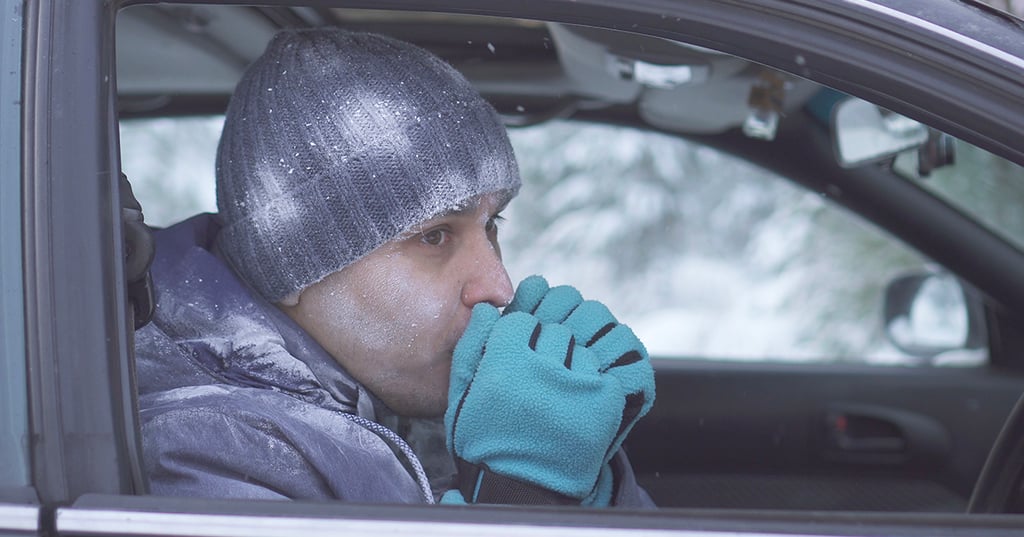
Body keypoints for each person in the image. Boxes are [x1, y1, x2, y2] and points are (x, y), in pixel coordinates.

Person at [136, 28, 656, 507]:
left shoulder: (398, 389)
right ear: (289, 265)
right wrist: (522, 497)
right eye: (434, 235)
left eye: (492, 224)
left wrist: (588, 483)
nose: (498, 285)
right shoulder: (208, 450)